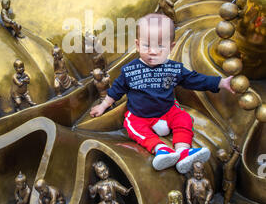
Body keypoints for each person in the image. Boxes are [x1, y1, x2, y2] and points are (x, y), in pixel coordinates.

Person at [90, 14, 234, 174]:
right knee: (132, 126)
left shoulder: (174, 69)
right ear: (137, 45)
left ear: (171, 47)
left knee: (184, 118)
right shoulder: (130, 70)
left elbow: (195, 79)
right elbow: (116, 90)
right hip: (140, 115)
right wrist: (103, 106)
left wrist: (221, 83)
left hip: (167, 111)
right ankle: (161, 149)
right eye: (146, 46)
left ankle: (183, 151)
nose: (153, 52)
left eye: (160, 47)